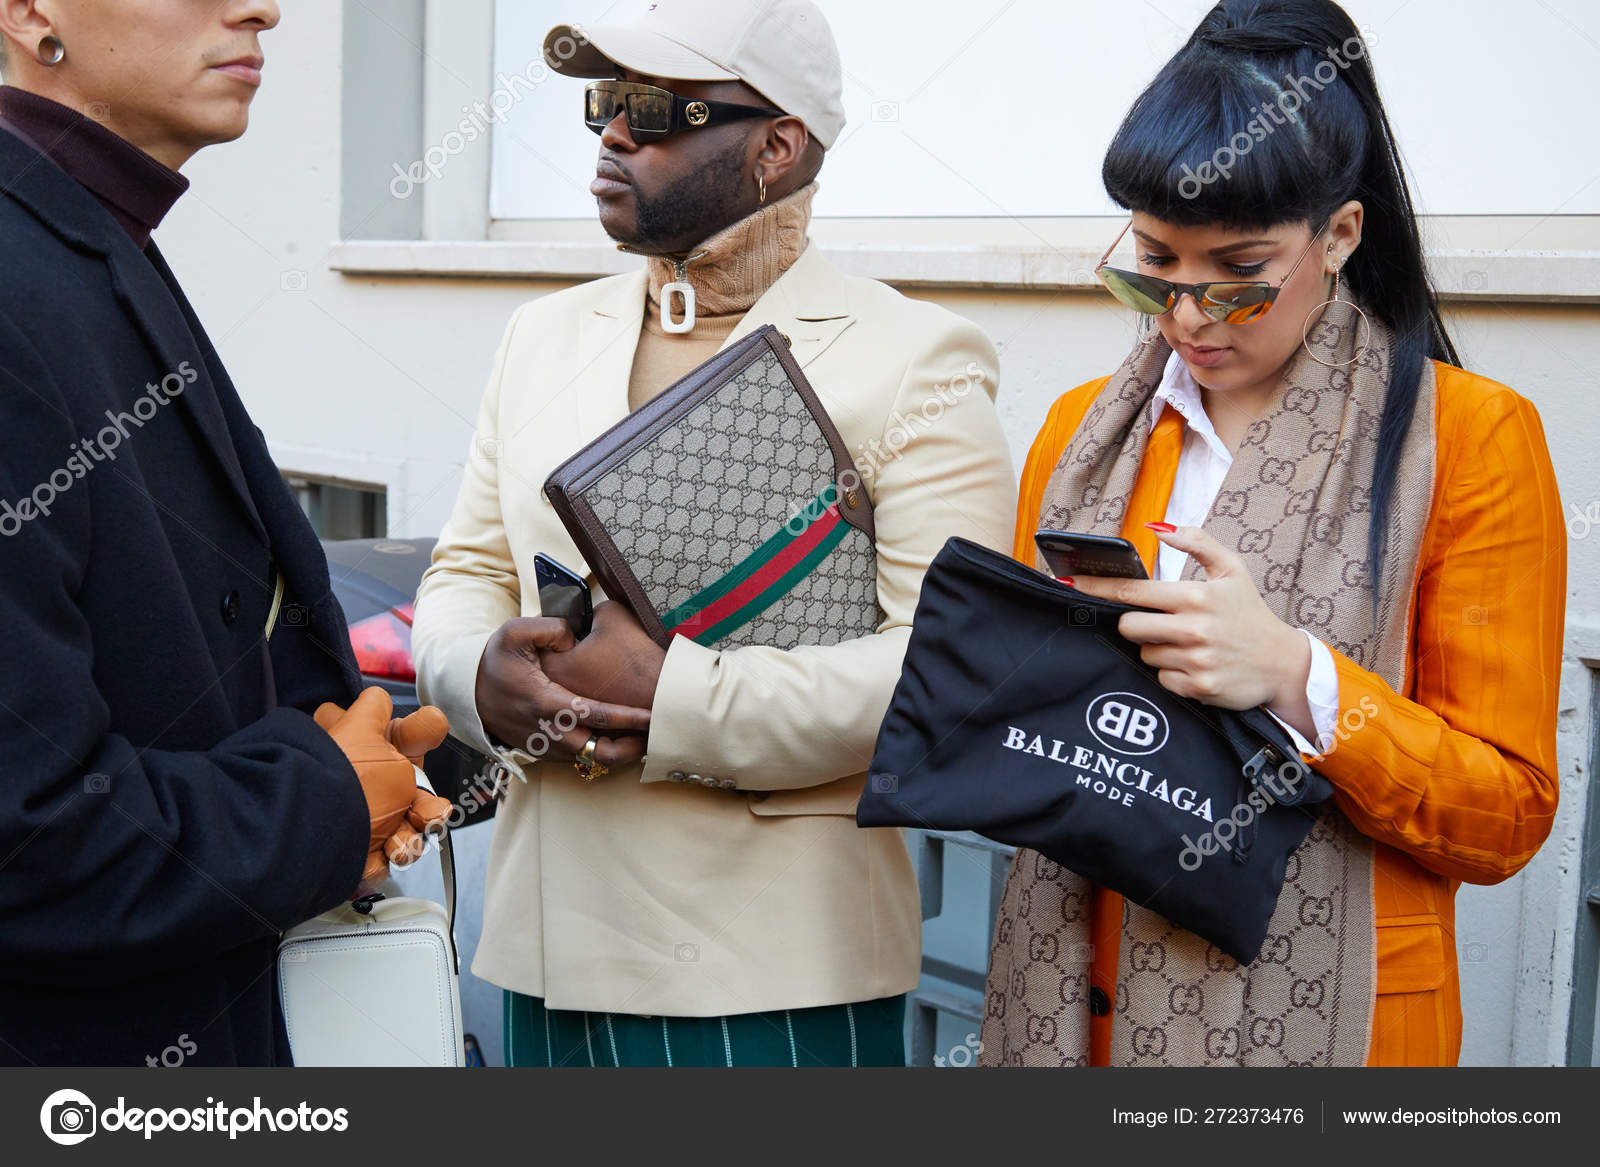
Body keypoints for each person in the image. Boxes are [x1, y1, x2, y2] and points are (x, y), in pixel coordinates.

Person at [413, 0, 1015, 1066]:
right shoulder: (541, 333)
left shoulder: (915, 356)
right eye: (605, 103)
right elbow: (464, 569)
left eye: (655, 108)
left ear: (776, 147)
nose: (612, 134)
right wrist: (477, 678)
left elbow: (949, 669)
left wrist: (676, 698)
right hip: (550, 947)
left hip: (774, 966)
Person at [981, 0, 1564, 1067]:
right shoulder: (1080, 433)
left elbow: (1504, 817)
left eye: (1238, 276)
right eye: (1152, 263)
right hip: (1079, 1011)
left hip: (1333, 1032)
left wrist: (1296, 674)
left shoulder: (1471, 440)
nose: (1187, 316)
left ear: (1339, 234)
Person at [0, 0, 450, 1066]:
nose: (264, 9)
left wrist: (376, 761)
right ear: (30, 13)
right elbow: (30, 839)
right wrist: (326, 802)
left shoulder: (83, 228)